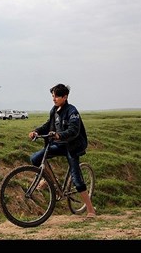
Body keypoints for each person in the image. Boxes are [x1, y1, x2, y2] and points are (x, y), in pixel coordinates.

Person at [28, 83, 96, 218]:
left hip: (72, 146)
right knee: (35, 158)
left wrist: (59, 135)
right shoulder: (54, 110)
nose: (54, 99)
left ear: (65, 97)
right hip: (59, 145)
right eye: (53, 96)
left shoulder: (72, 111)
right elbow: (48, 125)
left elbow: (74, 130)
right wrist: (36, 131)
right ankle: (51, 181)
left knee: (76, 179)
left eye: (57, 96)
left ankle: (91, 210)